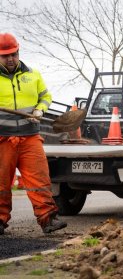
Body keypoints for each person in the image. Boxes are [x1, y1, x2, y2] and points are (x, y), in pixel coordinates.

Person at [0, 33, 67, 234]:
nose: (10, 59)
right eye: (5, 56)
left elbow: (45, 96)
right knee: (1, 181)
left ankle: (48, 219)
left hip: (30, 137)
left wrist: (40, 110)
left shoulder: (33, 74)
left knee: (40, 179)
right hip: (3, 138)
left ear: (18, 52)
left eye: (13, 54)